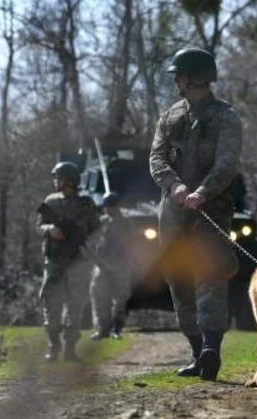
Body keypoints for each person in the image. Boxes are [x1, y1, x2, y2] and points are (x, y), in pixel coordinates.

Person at [149, 46, 242, 381]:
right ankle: (195, 351)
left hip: (211, 209)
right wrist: (174, 186)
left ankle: (211, 351)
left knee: (211, 275)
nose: (176, 79)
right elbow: (156, 158)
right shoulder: (170, 116)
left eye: (179, 74)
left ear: (194, 77)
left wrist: (203, 192)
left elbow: (227, 164)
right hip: (173, 211)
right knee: (178, 278)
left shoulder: (226, 117)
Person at [36, 161, 99, 362]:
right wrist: (50, 230)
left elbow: (96, 231)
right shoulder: (51, 202)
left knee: (75, 306)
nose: (55, 181)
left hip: (79, 262)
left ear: (68, 180)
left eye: (58, 177)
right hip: (54, 261)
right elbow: (39, 226)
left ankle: (70, 348)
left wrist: (88, 247)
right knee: (51, 303)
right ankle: (54, 346)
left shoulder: (86, 203)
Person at [89, 192, 134, 341]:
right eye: (107, 207)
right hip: (102, 264)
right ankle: (102, 329)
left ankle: (117, 328)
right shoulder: (102, 222)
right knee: (99, 296)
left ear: (117, 207)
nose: (109, 209)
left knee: (120, 298)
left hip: (121, 264)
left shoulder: (126, 222)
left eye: (111, 206)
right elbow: (94, 240)